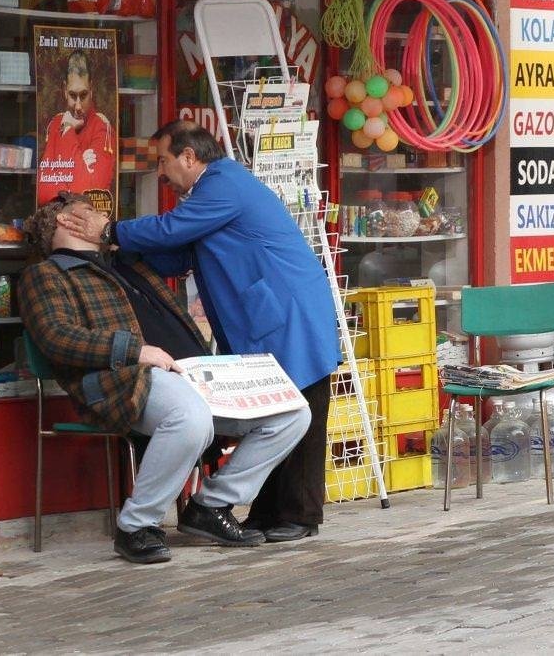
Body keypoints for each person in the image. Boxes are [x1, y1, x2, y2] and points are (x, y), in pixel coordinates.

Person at [56, 120, 340, 543]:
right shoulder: (211, 193)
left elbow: (171, 231)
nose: (161, 172)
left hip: (287, 314)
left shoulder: (223, 184)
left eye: (165, 161)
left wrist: (110, 231)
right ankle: (266, 513)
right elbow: (179, 254)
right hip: (271, 313)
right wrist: (118, 252)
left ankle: (299, 514)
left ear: (189, 157)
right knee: (280, 407)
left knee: (300, 408)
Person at [17, 193, 310, 564]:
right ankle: (137, 526)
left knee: (292, 413)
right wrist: (135, 350)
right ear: (65, 222)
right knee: (190, 417)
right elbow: (56, 337)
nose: (101, 214)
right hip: (128, 377)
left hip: (198, 372)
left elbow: (181, 245)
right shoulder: (47, 273)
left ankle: (210, 505)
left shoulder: (127, 261)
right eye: (89, 211)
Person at [36, 50, 116, 204]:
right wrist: (80, 162)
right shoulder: (56, 124)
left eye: (83, 95)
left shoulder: (101, 127)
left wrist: (67, 131)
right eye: (73, 96)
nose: (78, 106)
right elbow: (44, 194)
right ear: (65, 90)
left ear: (91, 89)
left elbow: (86, 193)